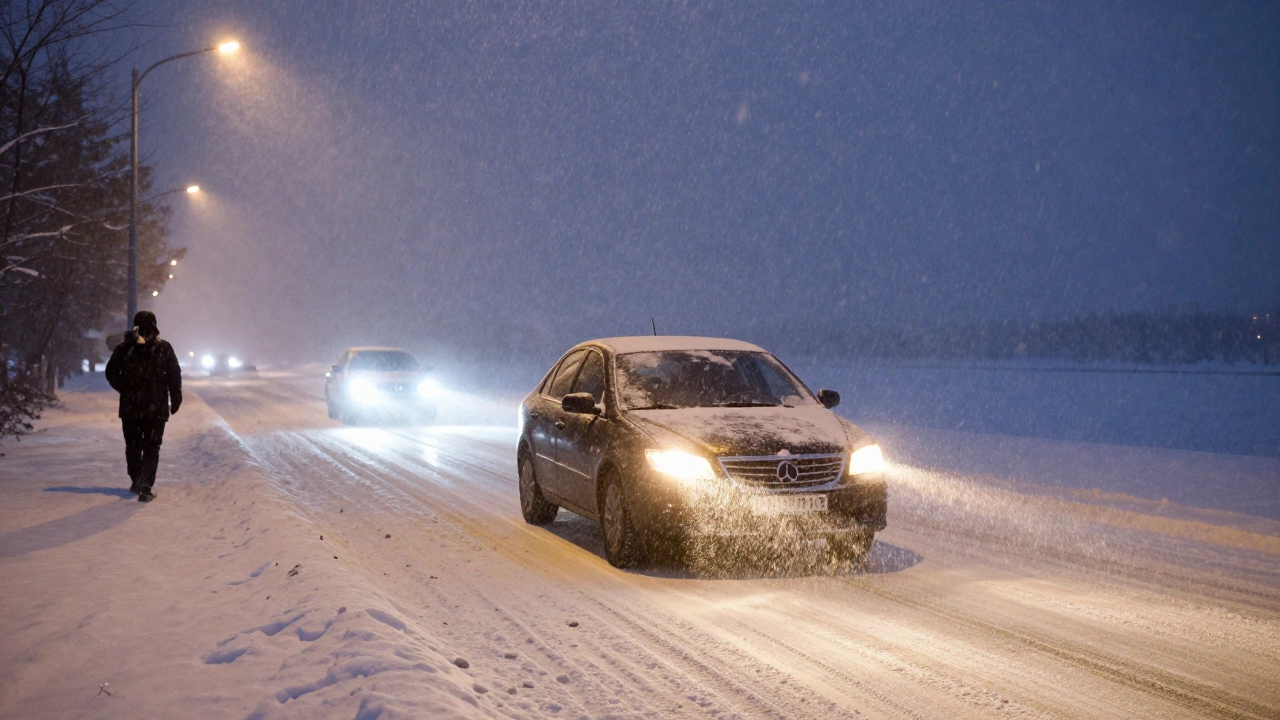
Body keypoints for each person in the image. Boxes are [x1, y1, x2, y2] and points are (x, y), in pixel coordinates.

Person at [105, 311, 182, 502]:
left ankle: (137, 480)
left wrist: (125, 389)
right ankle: (145, 485)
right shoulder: (163, 348)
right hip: (155, 409)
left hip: (131, 408)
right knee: (151, 447)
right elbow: (174, 375)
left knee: (133, 446)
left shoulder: (124, 348)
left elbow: (111, 373)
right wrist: (175, 398)